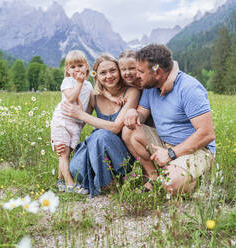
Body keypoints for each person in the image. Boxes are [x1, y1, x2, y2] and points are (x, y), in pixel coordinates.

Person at [122, 44, 216, 197]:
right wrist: (133, 112)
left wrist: (171, 153)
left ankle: (195, 177)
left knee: (170, 183)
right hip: (164, 145)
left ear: (157, 72)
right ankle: (154, 177)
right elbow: (142, 115)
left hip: (196, 150)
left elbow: (207, 134)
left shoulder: (189, 88)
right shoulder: (150, 87)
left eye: (140, 71)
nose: (136, 75)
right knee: (129, 130)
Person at [60, 54, 140, 197]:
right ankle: (94, 179)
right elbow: (78, 124)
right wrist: (63, 142)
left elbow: (116, 128)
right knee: (75, 169)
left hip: (119, 153)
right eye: (103, 73)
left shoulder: (131, 92)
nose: (109, 76)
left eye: (112, 71)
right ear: (96, 76)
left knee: (100, 135)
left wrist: (81, 114)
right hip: (96, 148)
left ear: (119, 71)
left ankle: (107, 184)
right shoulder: (94, 96)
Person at [50, 50, 92, 194]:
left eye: (80, 65)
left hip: (76, 124)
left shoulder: (89, 86)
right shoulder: (67, 82)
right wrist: (79, 83)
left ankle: (60, 180)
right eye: (72, 67)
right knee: (64, 152)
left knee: (68, 152)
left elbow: (92, 101)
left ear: (86, 66)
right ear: (67, 70)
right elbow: (70, 98)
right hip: (61, 120)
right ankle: (70, 185)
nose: (77, 69)